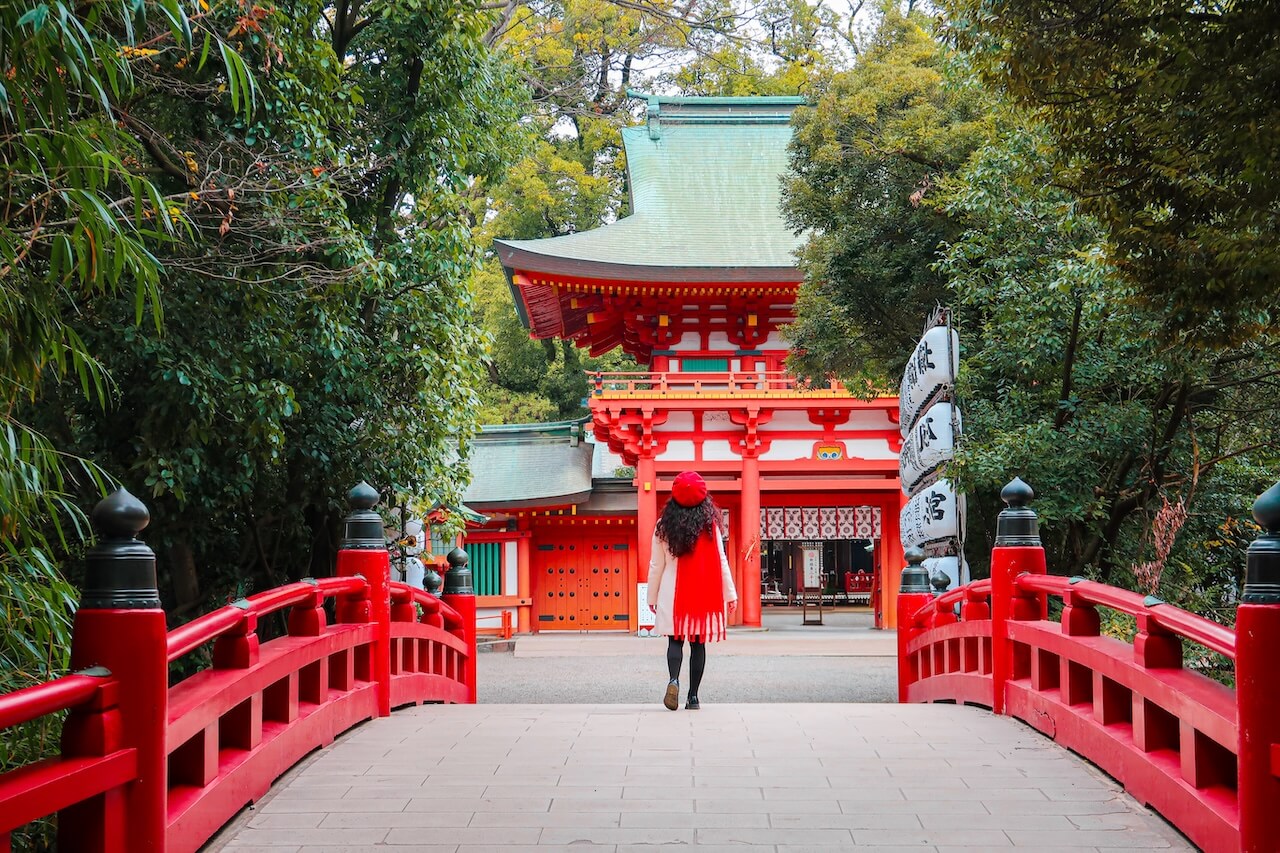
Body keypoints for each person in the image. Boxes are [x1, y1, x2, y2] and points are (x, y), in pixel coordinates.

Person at [647, 471, 738, 710]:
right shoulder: (710, 526)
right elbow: (721, 560)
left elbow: (656, 564)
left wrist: (652, 596)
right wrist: (730, 594)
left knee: (675, 641)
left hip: (672, 592)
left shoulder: (663, 526)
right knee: (698, 644)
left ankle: (673, 679)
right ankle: (694, 697)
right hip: (702, 592)